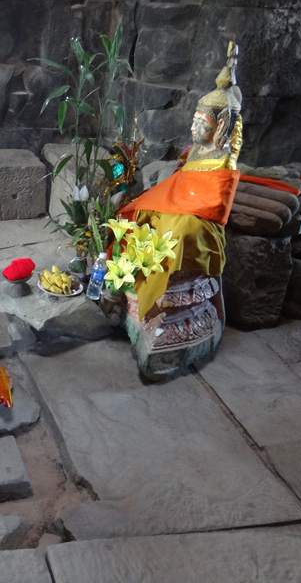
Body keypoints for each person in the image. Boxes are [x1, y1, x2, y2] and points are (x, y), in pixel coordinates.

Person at [116, 42, 242, 380]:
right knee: (140, 212)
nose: (194, 126)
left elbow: (215, 204)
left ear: (219, 125)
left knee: (179, 234)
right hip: (181, 206)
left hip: (201, 220)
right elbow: (179, 186)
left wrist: (182, 207)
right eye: (195, 118)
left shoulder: (222, 159)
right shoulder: (193, 153)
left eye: (202, 121)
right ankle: (136, 293)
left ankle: (166, 308)